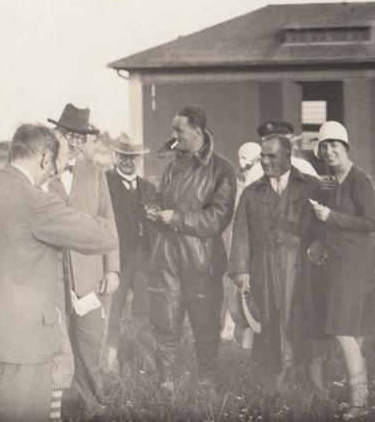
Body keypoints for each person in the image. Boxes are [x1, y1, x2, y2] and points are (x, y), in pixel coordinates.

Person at [0, 124, 118, 422]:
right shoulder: (38, 202)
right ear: (45, 160)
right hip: (23, 344)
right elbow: (105, 236)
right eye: (54, 164)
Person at [146, 106, 237, 391]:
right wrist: (154, 209)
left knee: (206, 323)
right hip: (167, 256)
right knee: (166, 318)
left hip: (203, 260)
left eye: (178, 130)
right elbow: (161, 198)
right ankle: (166, 381)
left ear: (197, 132)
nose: (173, 136)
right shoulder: (173, 166)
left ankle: (207, 379)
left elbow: (218, 218)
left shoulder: (222, 169)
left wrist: (177, 218)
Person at [229, 135, 323, 387]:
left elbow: (324, 224)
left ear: (287, 157)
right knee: (269, 319)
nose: (265, 161)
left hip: (299, 267)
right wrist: (241, 271)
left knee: (301, 316)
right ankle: (274, 379)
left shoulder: (310, 186)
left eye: (272, 156)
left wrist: (317, 241)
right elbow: (241, 233)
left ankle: (307, 375)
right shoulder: (252, 192)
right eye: (263, 156)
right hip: (265, 266)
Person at [46, 103, 119, 415]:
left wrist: (112, 268)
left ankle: (89, 401)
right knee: (56, 345)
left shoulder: (94, 174)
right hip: (51, 276)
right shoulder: (43, 172)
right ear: (58, 135)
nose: (74, 142)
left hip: (89, 274)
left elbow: (108, 222)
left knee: (89, 341)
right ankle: (58, 404)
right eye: (68, 135)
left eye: (80, 137)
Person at [309, 121, 375, 419]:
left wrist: (331, 216)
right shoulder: (332, 181)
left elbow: (369, 223)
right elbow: (328, 224)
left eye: (334, 144)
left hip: (352, 263)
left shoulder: (358, 179)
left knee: (342, 329)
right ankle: (360, 391)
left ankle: (360, 401)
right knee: (351, 330)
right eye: (324, 146)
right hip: (335, 261)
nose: (329, 150)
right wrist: (320, 241)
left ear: (346, 147)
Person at [104, 134, 157, 374]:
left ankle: (150, 360)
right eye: (124, 156)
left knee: (144, 312)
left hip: (143, 260)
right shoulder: (104, 184)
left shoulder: (148, 188)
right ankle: (109, 360)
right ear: (116, 157)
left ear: (140, 159)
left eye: (133, 157)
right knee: (112, 310)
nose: (128, 162)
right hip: (117, 260)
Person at [222, 141, 262, 346]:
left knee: (253, 285)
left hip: (253, 235)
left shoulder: (258, 176)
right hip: (238, 233)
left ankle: (249, 332)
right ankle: (230, 326)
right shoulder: (236, 181)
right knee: (237, 280)